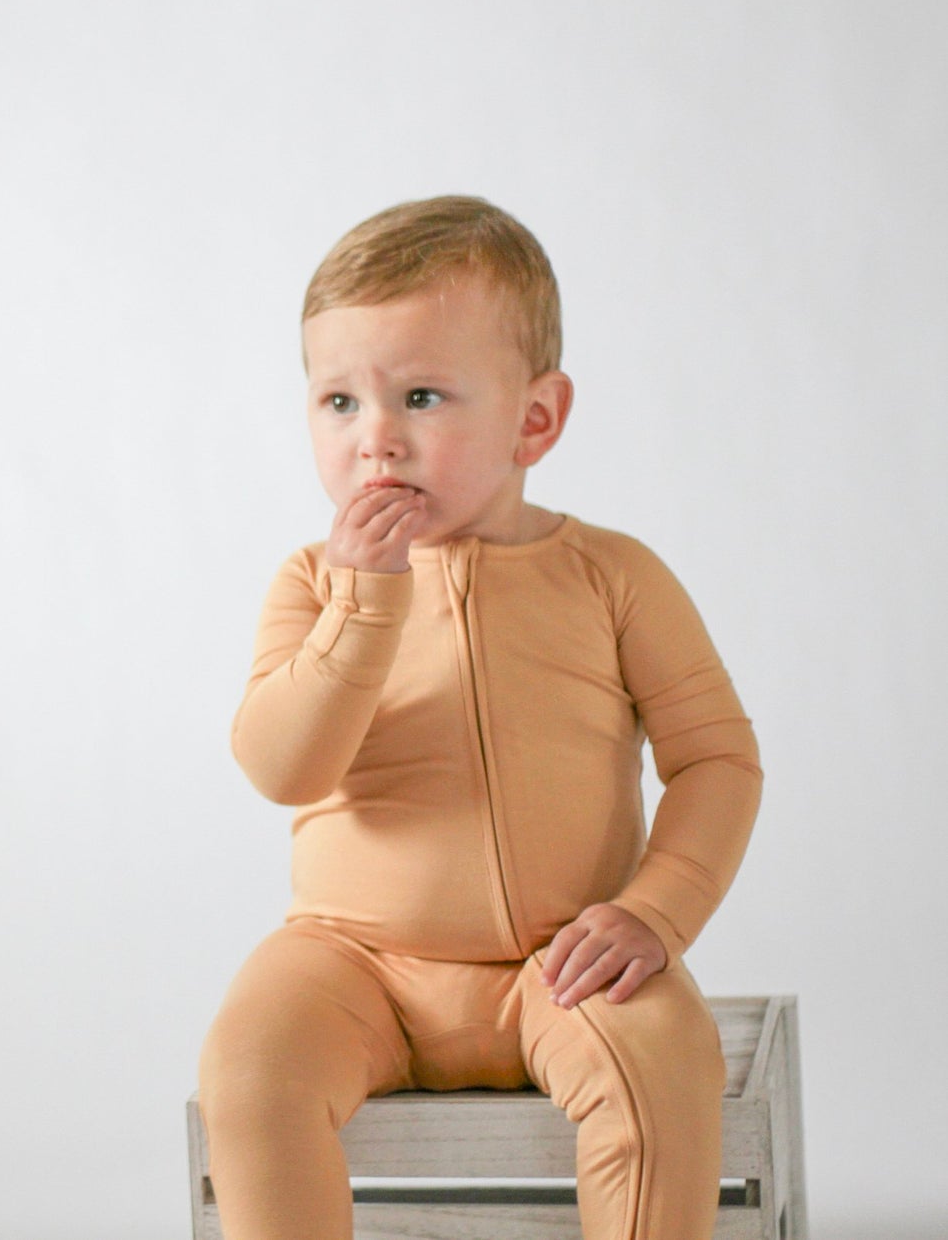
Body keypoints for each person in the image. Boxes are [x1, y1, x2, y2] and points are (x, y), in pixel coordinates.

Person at [197, 195, 762, 1240]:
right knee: (248, 1067)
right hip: (350, 956)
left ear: (533, 419)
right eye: (336, 401)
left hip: (566, 958)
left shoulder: (612, 577)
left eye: (417, 395)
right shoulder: (310, 586)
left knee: (661, 1065)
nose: (374, 440)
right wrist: (364, 600)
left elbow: (716, 760)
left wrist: (653, 911)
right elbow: (281, 763)